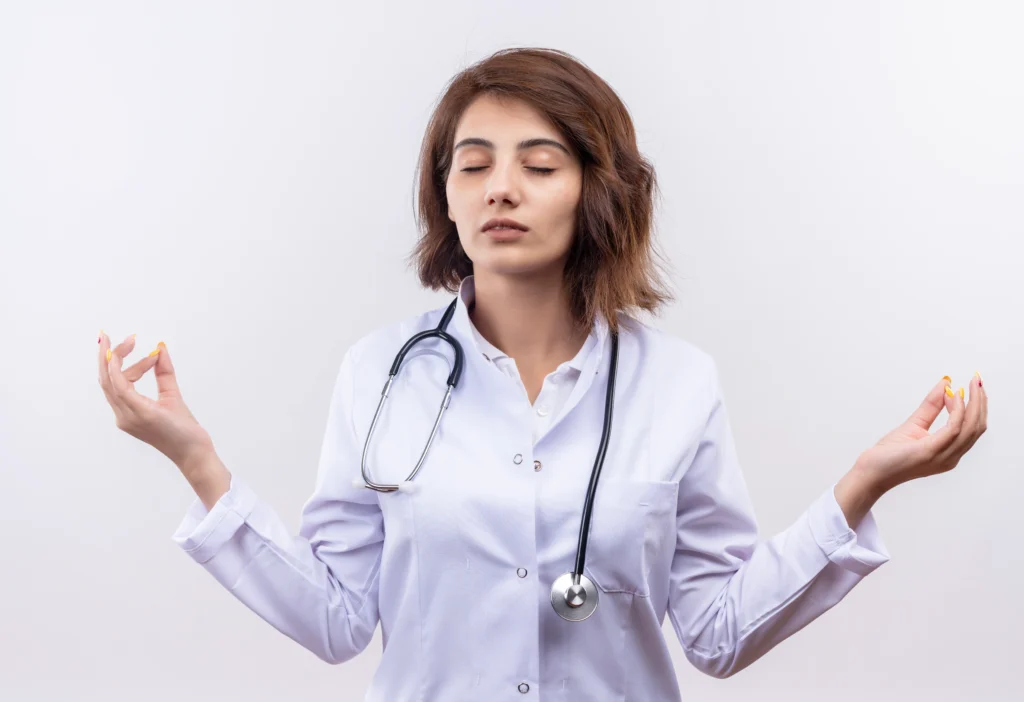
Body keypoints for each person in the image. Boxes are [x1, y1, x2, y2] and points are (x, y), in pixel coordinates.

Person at [96, 47, 987, 700]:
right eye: (473, 164)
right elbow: (336, 621)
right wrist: (197, 462)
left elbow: (717, 633)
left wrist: (863, 487)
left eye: (540, 164)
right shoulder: (380, 373)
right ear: (445, 194)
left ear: (598, 189)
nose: (500, 188)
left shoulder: (677, 384)